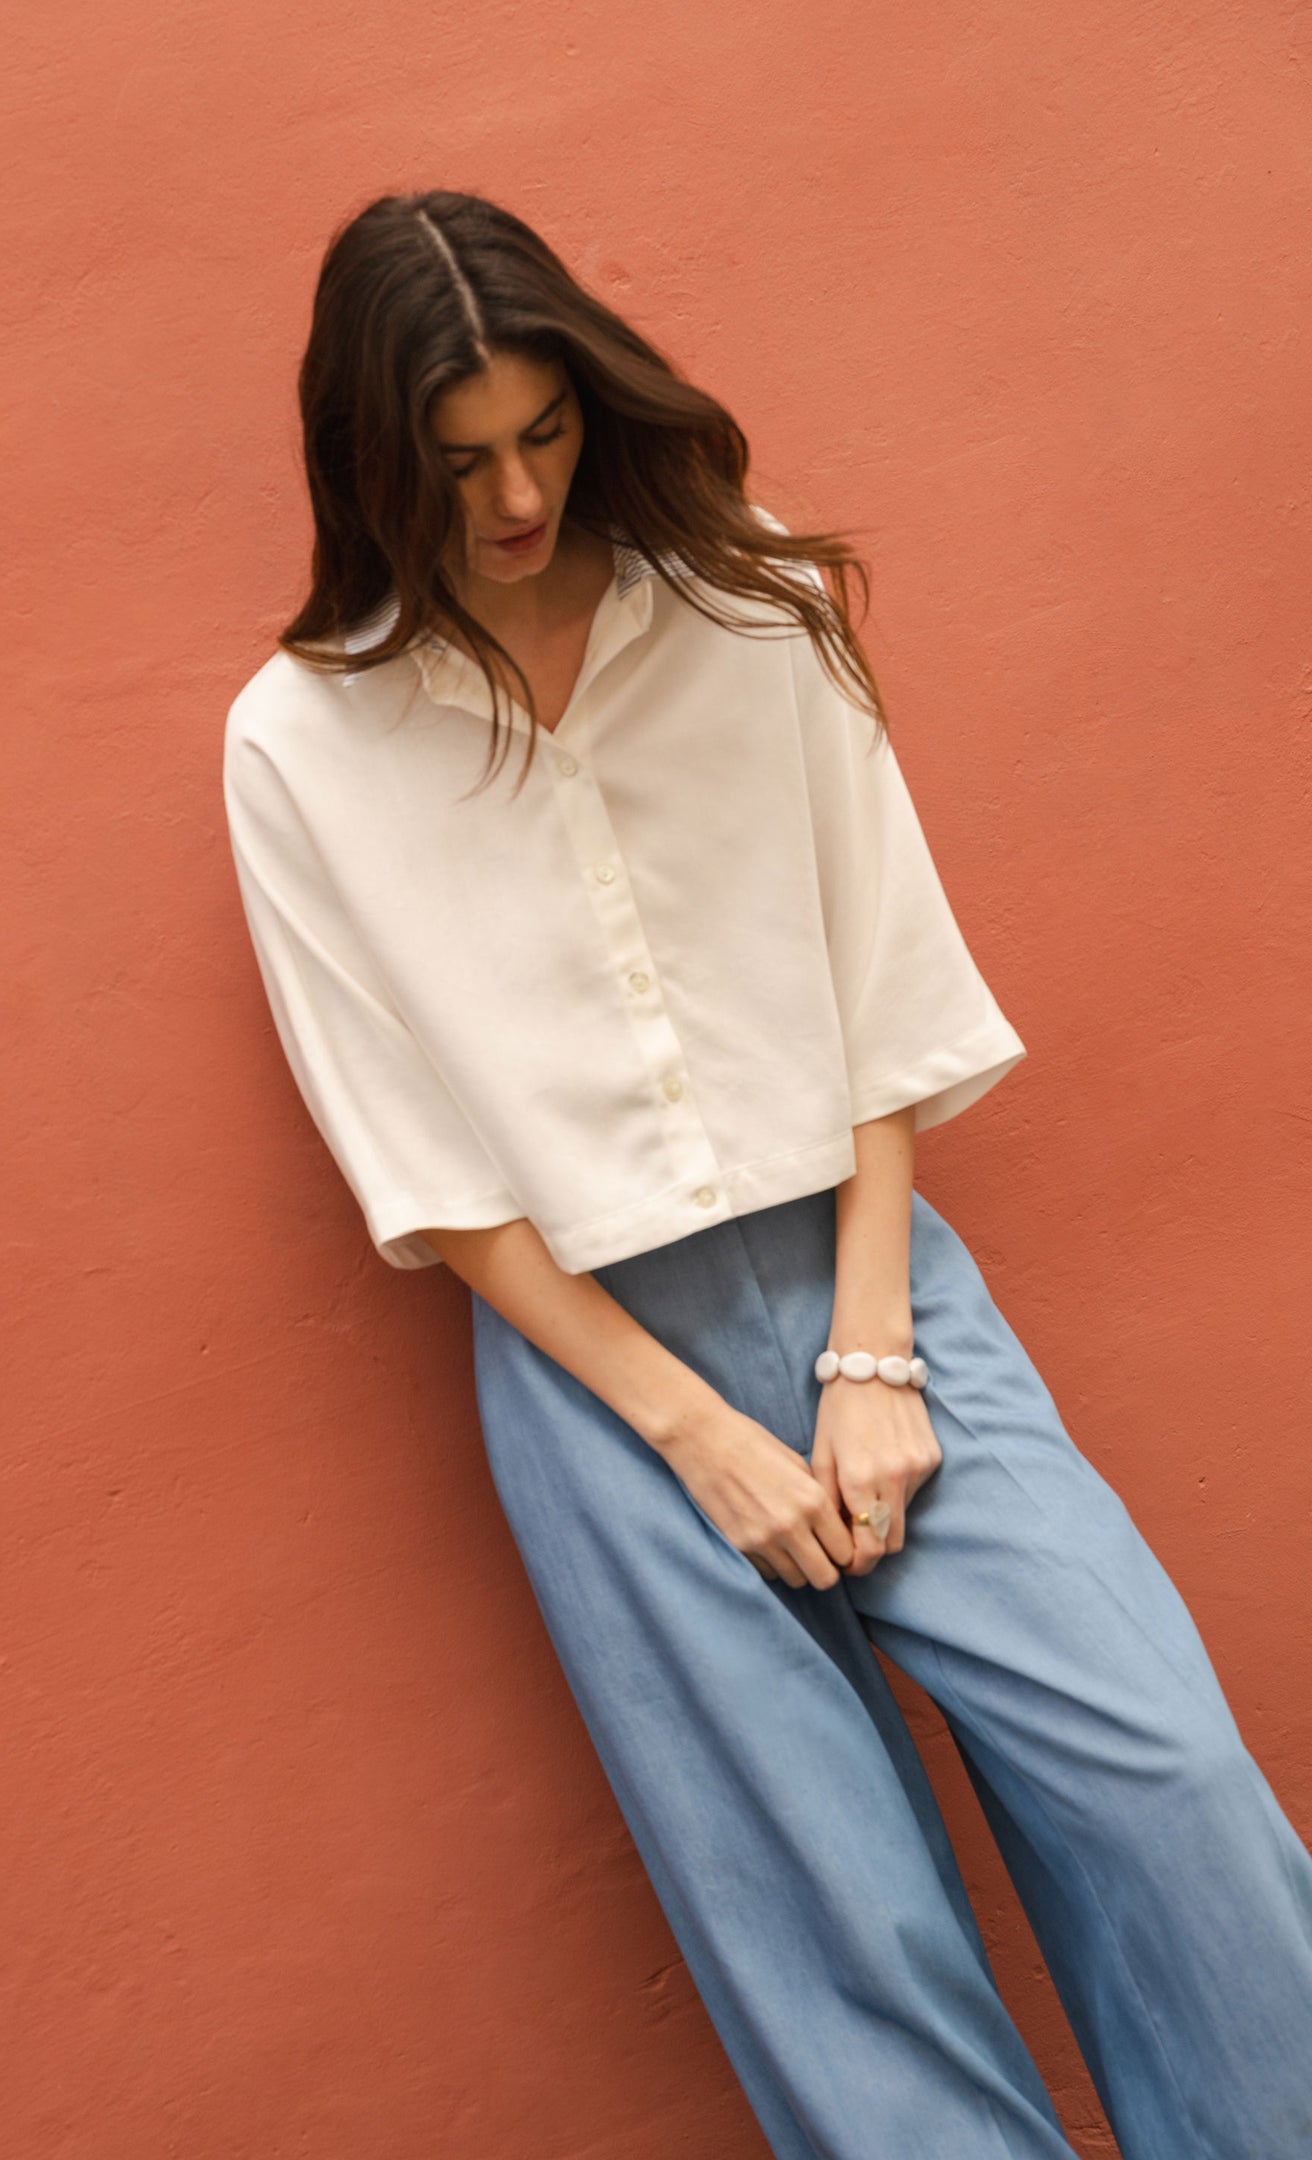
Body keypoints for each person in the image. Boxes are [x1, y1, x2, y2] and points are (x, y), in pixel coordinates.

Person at [222, 188, 1312, 2159]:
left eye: (545, 434)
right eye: (459, 464)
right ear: (370, 463)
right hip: (593, 1371)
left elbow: (875, 977)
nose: (520, 499)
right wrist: (686, 1430)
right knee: (836, 1929)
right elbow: (425, 1159)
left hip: (863, 1278)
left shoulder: (756, 609)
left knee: (1169, 1783)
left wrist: (877, 1351)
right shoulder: (303, 741)